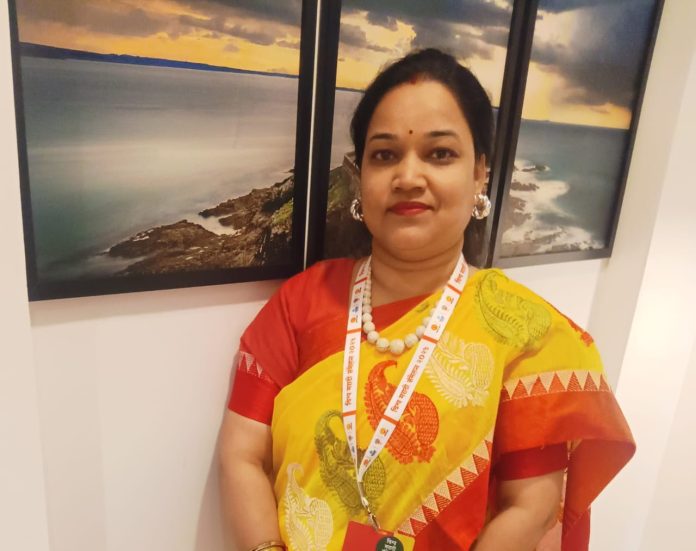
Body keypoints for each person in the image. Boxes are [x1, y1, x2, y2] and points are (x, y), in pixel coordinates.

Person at [218, 48, 635, 551]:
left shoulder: (528, 335)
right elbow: (241, 454)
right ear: (359, 176)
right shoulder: (302, 302)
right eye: (384, 155)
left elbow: (532, 507)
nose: (408, 177)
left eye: (439, 154)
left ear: (480, 173)